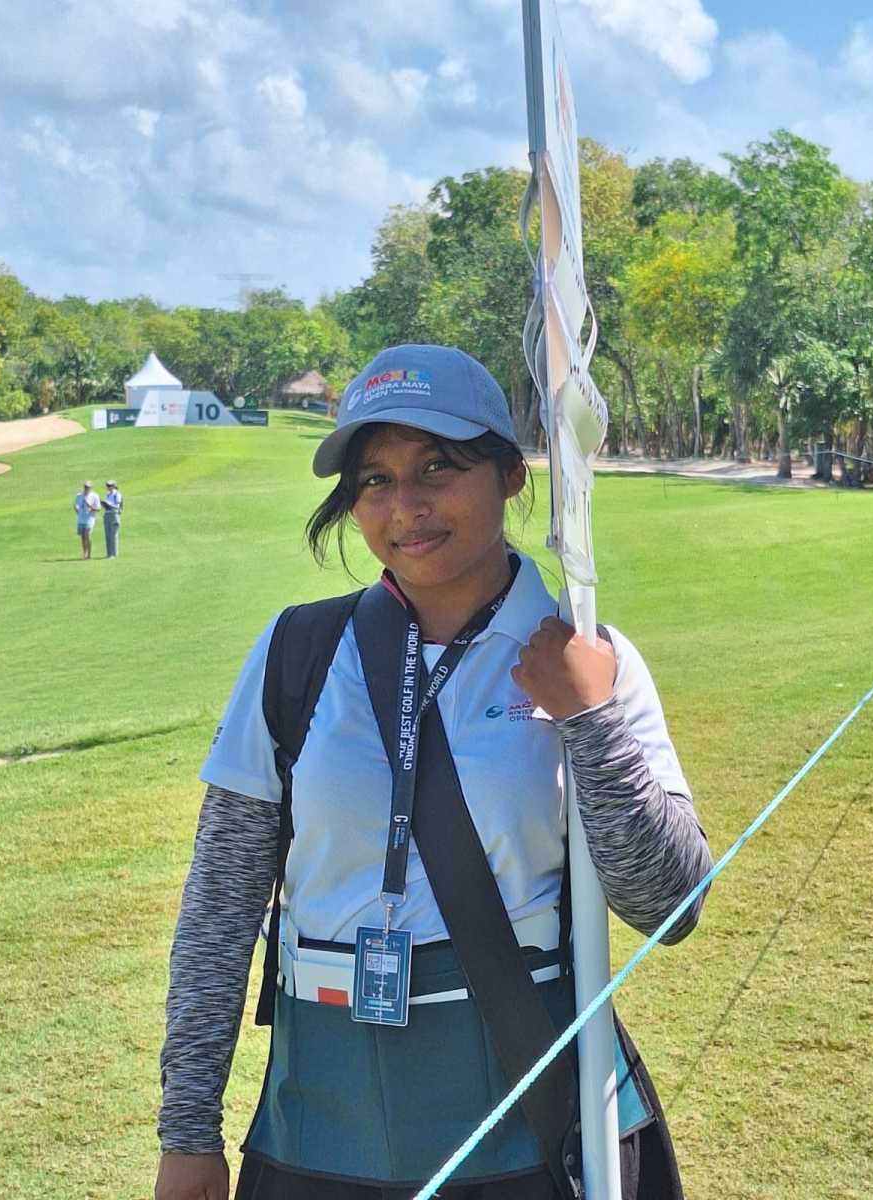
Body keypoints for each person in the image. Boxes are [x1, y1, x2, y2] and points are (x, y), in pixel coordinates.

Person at [155, 345, 713, 1200]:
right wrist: (189, 1127)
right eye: (374, 480)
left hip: (535, 1135)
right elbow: (220, 907)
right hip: (318, 1131)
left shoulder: (590, 661)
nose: (404, 506)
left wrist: (589, 719)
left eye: (437, 467)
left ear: (511, 473)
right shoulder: (297, 653)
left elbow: (671, 905)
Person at [73, 480, 101, 560]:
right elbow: (76, 505)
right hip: (81, 519)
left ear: (91, 488)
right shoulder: (79, 495)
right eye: (85, 487)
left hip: (90, 519)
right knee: (83, 537)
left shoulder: (95, 496)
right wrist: (76, 508)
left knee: (87, 535)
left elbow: (98, 508)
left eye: (88, 487)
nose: (86, 488)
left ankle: (89, 555)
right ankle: (84, 554)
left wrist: (90, 507)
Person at [101, 479, 123, 558]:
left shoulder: (117, 494)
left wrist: (108, 504)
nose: (108, 487)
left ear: (113, 486)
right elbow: (106, 506)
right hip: (107, 514)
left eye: (110, 486)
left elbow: (117, 506)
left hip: (114, 515)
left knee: (113, 535)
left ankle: (114, 554)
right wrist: (104, 504)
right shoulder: (107, 494)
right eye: (107, 486)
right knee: (107, 535)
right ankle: (109, 554)